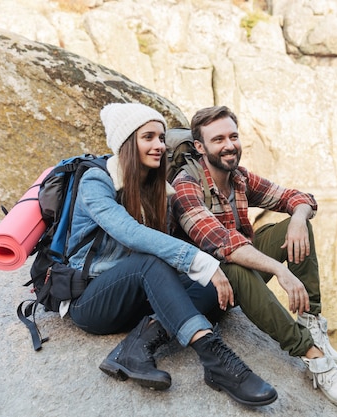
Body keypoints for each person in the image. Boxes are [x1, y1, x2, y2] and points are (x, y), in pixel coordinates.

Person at [65, 102, 277, 406]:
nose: (159, 146)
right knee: (150, 263)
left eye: (162, 138)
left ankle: (135, 348)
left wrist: (214, 269)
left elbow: (176, 249)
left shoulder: (159, 189)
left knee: (217, 286)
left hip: (137, 299)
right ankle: (217, 359)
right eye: (148, 137)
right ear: (127, 142)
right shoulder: (97, 182)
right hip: (93, 300)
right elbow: (131, 234)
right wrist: (201, 263)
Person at [170, 105, 337, 408]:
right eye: (218, 139)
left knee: (292, 227)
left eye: (233, 136)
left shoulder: (239, 178)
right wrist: (281, 271)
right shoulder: (186, 185)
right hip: (202, 288)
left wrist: (299, 219)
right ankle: (313, 357)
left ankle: (311, 321)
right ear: (200, 146)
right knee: (234, 265)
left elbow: (296, 198)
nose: (229, 145)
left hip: (234, 270)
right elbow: (223, 244)